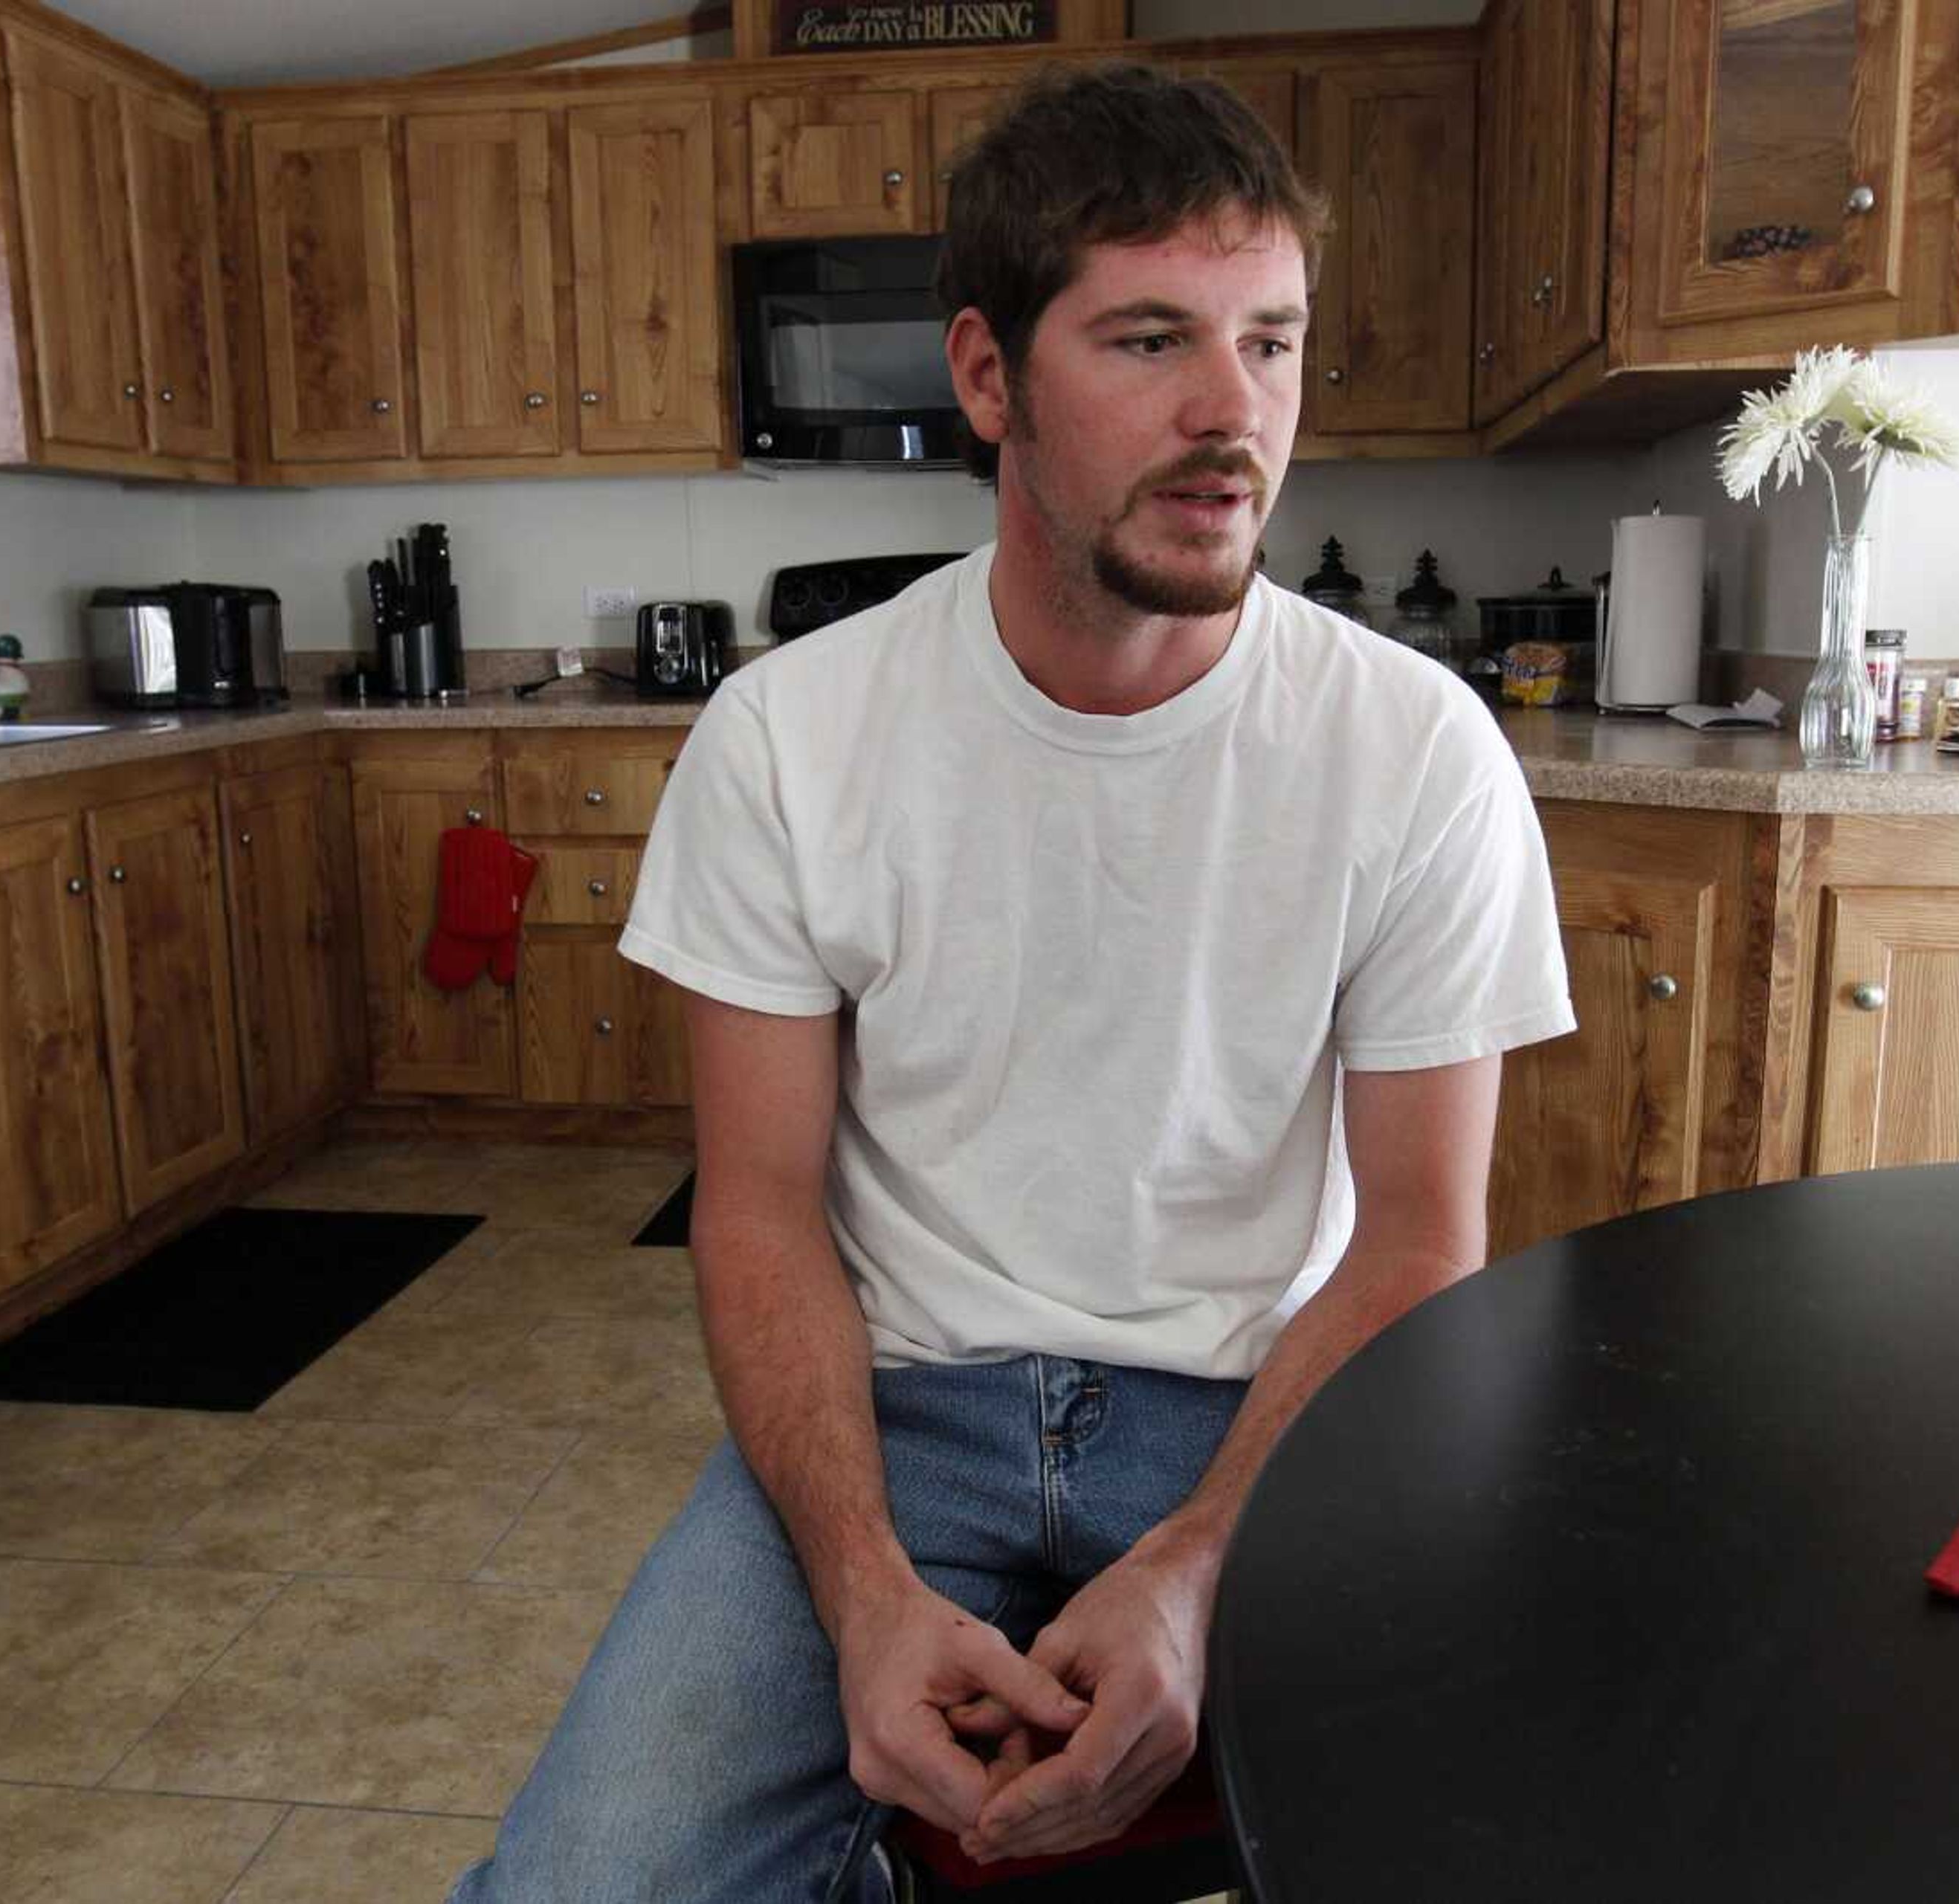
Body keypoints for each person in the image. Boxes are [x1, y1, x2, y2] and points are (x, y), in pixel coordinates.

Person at [448, 60, 1572, 1904]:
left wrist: (1203, 1564)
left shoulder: (1412, 748)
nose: (1238, 417)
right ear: (986, 377)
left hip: (1262, 1407)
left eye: (1273, 344)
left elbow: (1416, 1241)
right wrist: (863, 1595)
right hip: (900, 1413)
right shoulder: (791, 737)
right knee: (590, 1881)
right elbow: (756, 1206)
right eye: (1150, 342)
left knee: (1501, 1840)